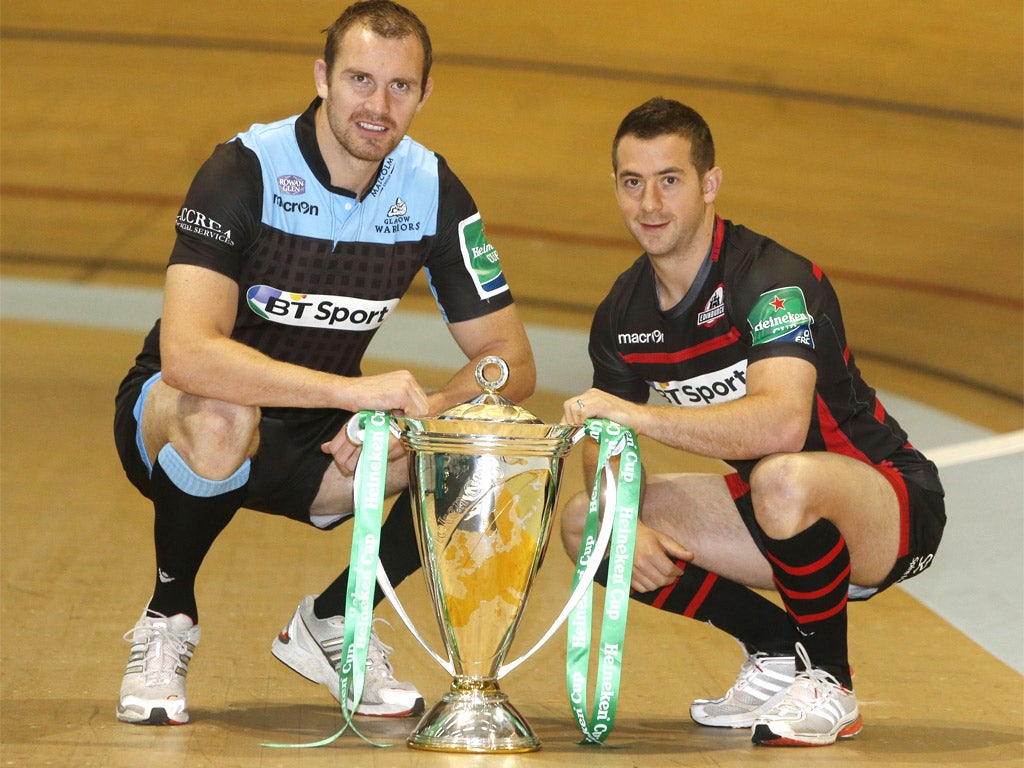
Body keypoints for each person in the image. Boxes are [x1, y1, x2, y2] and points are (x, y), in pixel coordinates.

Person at [113, 0, 535, 726]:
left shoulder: (431, 190)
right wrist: (353, 391)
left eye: (401, 87)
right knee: (223, 411)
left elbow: (511, 364)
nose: (378, 105)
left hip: (320, 444)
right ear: (323, 78)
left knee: (483, 452)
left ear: (425, 94)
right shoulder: (244, 168)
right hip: (180, 418)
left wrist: (419, 414)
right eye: (360, 81)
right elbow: (188, 355)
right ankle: (167, 617)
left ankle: (335, 621)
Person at [560, 97, 944, 747]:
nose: (650, 203)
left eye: (670, 179)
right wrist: (618, 507)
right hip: (771, 513)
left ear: (710, 184)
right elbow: (608, 440)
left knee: (781, 477)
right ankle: (773, 650)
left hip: (886, 500)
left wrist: (636, 414)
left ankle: (831, 683)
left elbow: (781, 427)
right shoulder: (622, 311)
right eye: (633, 182)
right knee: (588, 523)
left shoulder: (773, 280)